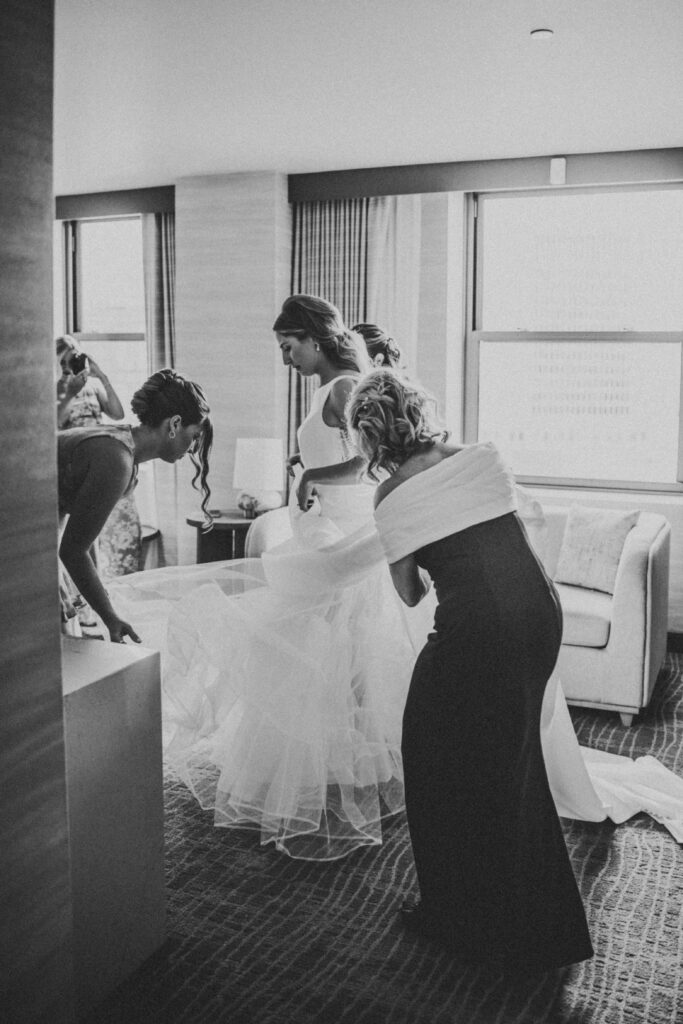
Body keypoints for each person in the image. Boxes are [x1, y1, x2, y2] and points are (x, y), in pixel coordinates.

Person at [107, 295, 422, 860]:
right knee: (324, 651)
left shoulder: (347, 386)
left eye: (288, 346)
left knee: (313, 645)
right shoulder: (332, 389)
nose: (285, 359)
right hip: (323, 528)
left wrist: (311, 476)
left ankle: (333, 772)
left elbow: (372, 461)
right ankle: (333, 766)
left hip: (342, 532)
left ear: (315, 337)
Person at [347, 369, 594, 973]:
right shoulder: (480, 455)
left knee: (431, 758)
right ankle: (540, 922)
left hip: (478, 631)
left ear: (371, 435)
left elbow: (409, 594)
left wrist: (408, 539)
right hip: (539, 614)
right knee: (509, 762)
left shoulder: (389, 495)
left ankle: (458, 916)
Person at [58, 368, 212, 643]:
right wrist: (110, 618)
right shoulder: (117, 459)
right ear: (174, 424)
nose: (192, 448)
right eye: (195, 435)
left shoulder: (120, 442)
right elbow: (72, 549)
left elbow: (82, 530)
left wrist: (95, 595)